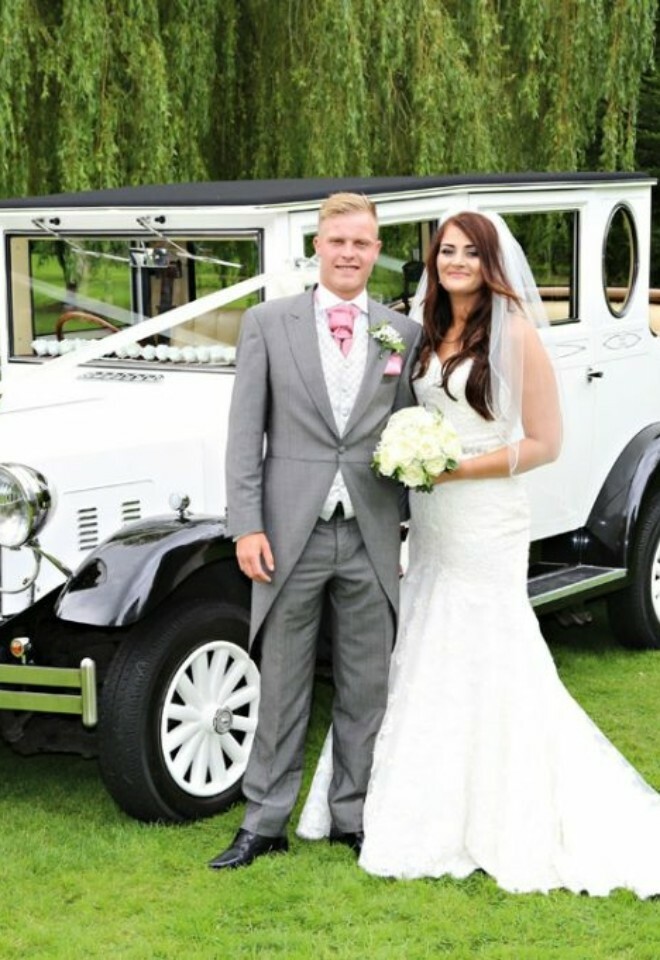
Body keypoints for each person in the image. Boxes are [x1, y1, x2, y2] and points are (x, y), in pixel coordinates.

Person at [298, 211, 660, 898]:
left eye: (469, 252)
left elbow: (546, 442)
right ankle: (413, 797)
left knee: (487, 643)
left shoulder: (516, 332)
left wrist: (458, 467)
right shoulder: (427, 328)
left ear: (490, 261)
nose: (455, 262)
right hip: (432, 516)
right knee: (426, 640)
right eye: (446, 252)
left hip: (485, 513)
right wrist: (413, 458)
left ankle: (499, 803)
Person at [208, 193, 422, 869]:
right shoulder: (267, 324)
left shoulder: (398, 333)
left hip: (370, 531)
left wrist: (409, 522)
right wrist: (246, 524)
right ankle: (263, 822)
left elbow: (405, 427)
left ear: (376, 247)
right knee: (281, 685)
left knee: (366, 686)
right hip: (287, 535)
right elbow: (245, 436)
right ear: (318, 247)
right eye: (338, 242)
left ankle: (351, 817)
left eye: (362, 242)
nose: (350, 253)